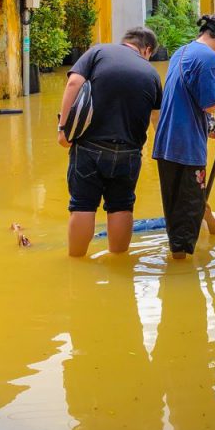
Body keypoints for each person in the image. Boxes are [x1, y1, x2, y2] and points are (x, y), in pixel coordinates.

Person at [58, 27, 162, 257]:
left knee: (83, 205)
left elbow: (74, 83)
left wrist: (63, 129)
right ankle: (118, 260)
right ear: (147, 50)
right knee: (121, 207)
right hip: (129, 151)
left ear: (125, 42)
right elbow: (157, 120)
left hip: (89, 147)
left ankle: (76, 264)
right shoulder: (152, 73)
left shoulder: (98, 52)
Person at [153, 15, 215, 259]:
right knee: (189, 210)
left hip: (167, 141)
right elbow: (210, 103)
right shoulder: (208, 57)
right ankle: (182, 268)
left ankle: (181, 256)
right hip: (186, 145)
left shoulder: (181, 52)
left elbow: (185, 99)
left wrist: (208, 129)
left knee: (179, 206)